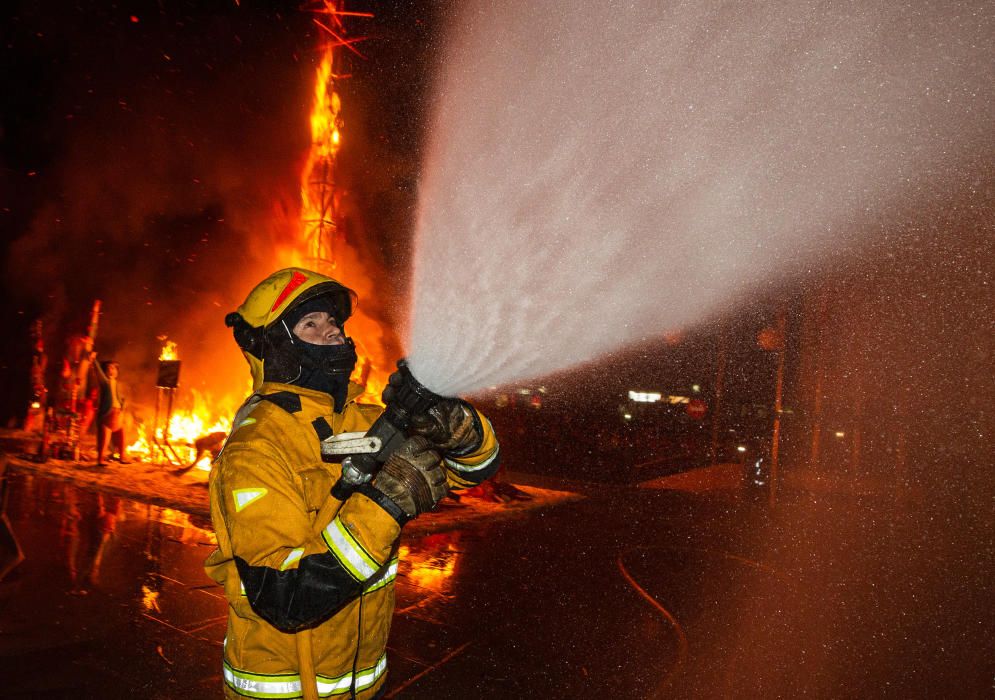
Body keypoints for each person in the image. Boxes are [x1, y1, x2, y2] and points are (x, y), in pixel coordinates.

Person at [205, 268, 499, 700]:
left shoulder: (364, 421)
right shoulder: (256, 448)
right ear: (274, 346)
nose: (333, 334)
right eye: (311, 324)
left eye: (335, 323)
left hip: (364, 686)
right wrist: (386, 503)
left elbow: (471, 471)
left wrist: (461, 430)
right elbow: (284, 596)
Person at [91, 354, 131, 466]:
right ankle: (100, 459)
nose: (111, 370)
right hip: (108, 414)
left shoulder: (117, 384)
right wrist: (94, 361)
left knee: (122, 435)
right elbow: (98, 372)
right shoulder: (105, 382)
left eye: (113, 368)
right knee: (104, 439)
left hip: (117, 414)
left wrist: (123, 403)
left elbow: (118, 397)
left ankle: (122, 456)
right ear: (105, 371)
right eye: (109, 368)